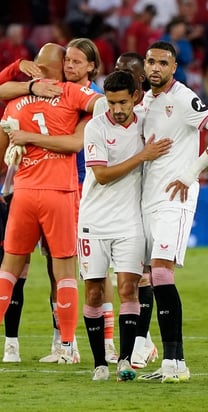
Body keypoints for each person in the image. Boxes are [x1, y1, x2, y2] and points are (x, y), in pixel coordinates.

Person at [137, 40, 208, 383]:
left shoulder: (183, 97)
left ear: (173, 67)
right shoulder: (144, 100)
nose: (156, 68)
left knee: (161, 272)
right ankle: (163, 360)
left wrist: (192, 173)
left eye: (163, 63)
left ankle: (175, 362)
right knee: (145, 276)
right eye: (151, 62)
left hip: (174, 196)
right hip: (146, 199)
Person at [0, 42, 101, 364]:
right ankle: (68, 345)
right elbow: (103, 105)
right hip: (60, 191)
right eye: (67, 62)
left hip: (23, 191)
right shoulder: (71, 93)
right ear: (60, 69)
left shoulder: (14, 102)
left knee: (9, 269)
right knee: (65, 270)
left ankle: (16, 344)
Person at [79, 69, 171, 381]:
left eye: (122, 102)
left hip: (131, 222)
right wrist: (143, 156)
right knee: (93, 292)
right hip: (93, 220)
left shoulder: (147, 121)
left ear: (135, 97)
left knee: (129, 288)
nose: (117, 109)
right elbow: (102, 175)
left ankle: (125, 361)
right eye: (111, 102)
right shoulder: (95, 127)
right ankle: (99, 364)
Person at [92, 51, 159, 369]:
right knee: (98, 286)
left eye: (127, 72)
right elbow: (102, 174)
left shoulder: (152, 117)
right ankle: (108, 352)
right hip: (100, 213)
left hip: (139, 212)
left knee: (137, 282)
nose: (120, 73)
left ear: (138, 86)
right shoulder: (103, 117)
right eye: (117, 69)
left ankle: (139, 345)